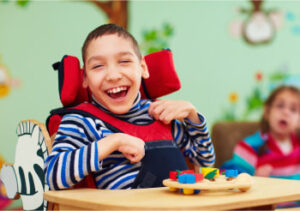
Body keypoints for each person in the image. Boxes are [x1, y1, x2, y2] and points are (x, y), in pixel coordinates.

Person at [44, 24, 215, 190]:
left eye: (124, 61)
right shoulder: (81, 121)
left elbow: (204, 160)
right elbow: (51, 176)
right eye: (98, 66)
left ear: (142, 68)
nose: (113, 75)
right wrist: (113, 142)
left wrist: (193, 115)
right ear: (85, 78)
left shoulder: (160, 114)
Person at [221, 85, 300, 179]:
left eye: (293, 109)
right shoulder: (249, 147)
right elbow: (227, 177)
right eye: (280, 106)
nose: (286, 112)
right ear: (267, 111)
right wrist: (255, 177)